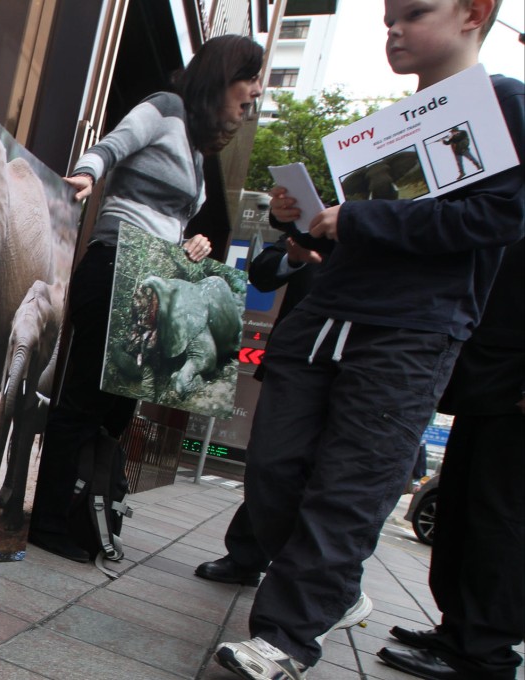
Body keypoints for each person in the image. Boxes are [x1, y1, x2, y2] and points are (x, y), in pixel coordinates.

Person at [214, 1, 524, 678]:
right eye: (388, 15)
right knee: (272, 471)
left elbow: (500, 217)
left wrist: (359, 220)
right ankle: (336, 590)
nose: (394, 29)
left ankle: (286, 637)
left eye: (414, 13)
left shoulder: (502, 105)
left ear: (475, 13)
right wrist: (304, 217)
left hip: (414, 330)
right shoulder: (386, 128)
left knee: (350, 486)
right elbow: (359, 222)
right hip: (327, 315)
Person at [28, 34, 265, 563]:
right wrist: (88, 173)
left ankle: (84, 514)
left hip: (150, 283)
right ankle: (47, 521)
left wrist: (193, 243)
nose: (254, 91)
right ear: (223, 74)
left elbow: (169, 222)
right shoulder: (166, 109)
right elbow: (112, 145)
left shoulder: (199, 153)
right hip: (115, 267)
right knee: (87, 401)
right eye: (249, 78)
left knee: (116, 410)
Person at [378, 238, 523, 679]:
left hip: (514, 391)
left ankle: (483, 652)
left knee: (500, 521)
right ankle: (458, 631)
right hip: (491, 382)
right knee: (463, 512)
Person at [196, 234, 323, 586]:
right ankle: (247, 554)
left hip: (371, 361)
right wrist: (296, 257)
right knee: (269, 461)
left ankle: (310, 574)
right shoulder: (325, 212)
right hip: (300, 355)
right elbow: (265, 269)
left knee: (330, 476)